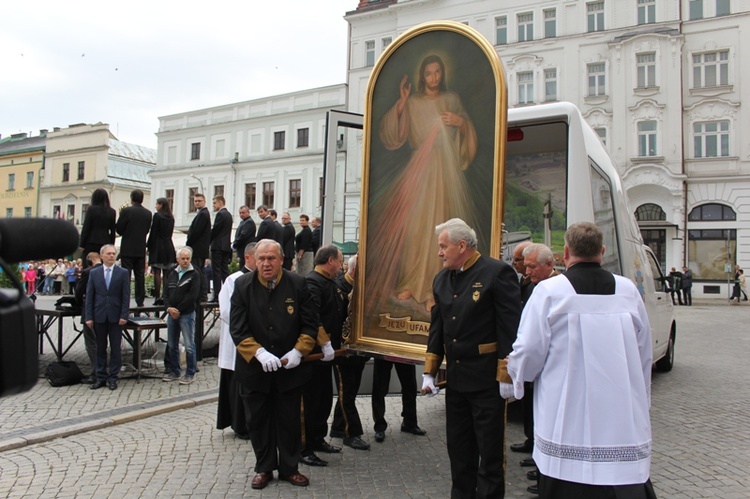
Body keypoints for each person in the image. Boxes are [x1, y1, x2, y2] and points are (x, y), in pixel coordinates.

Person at [507, 222, 656, 498]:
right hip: (621, 415)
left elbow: (528, 350)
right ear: (602, 251)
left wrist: (516, 378)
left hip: (566, 416)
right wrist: (642, 399)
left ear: (565, 253)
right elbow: (643, 352)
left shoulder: (549, 292)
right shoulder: (627, 291)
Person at [368, 54, 478, 316]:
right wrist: (403, 102)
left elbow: (467, 133)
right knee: (415, 226)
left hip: (445, 169)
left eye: (437, 72)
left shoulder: (451, 100)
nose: (434, 78)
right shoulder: (414, 102)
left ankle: (434, 289)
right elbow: (392, 135)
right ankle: (410, 282)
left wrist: (460, 122)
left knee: (442, 225)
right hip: (418, 169)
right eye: (428, 73)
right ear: (422, 76)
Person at [423, 218, 520, 498]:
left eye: (443, 246)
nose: (439, 252)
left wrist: (506, 373)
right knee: (459, 449)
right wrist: (430, 371)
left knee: (489, 454)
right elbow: (437, 327)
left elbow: (509, 327)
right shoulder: (441, 279)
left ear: (461, 245)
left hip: (487, 382)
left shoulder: (496, 273)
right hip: (456, 381)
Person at [230, 239, 318, 490]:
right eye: (262, 259)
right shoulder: (242, 285)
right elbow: (237, 328)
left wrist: (299, 351)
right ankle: (264, 467)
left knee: (289, 420)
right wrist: (257, 352)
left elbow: (310, 323)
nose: (266, 263)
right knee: (257, 421)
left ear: (281, 260)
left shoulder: (298, 284)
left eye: (271, 258)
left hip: (289, 369)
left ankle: (290, 468)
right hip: (254, 370)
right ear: (254, 260)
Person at [299, 245, 347, 467]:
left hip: (327, 356)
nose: (341, 264)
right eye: (339, 260)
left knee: (324, 400)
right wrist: (324, 343)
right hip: (314, 355)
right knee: (311, 402)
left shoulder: (329, 282)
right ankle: (305, 447)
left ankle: (318, 439)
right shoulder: (312, 283)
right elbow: (313, 315)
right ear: (330, 261)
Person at [519, 243, 560, 494]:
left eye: (533, 267)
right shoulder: (530, 285)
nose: (528, 272)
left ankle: (545, 475)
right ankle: (538, 461)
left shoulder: (555, 289)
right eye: (526, 267)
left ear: (549, 264)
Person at [217, 242, 257, 438]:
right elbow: (226, 311)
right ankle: (239, 424)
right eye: (259, 257)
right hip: (238, 340)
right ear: (248, 257)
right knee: (236, 383)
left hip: (257, 341)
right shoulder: (234, 279)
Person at [85, 244, 130, 391]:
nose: (112, 256)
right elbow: (90, 296)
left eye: (113, 253)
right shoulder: (94, 273)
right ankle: (100, 377)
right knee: (100, 348)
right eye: (109, 254)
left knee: (115, 348)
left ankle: (113, 377)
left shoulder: (123, 273)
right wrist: (89, 316)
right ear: (102, 256)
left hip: (116, 316)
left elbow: (126, 296)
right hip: (99, 315)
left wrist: (124, 315)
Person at [162, 247, 202, 385]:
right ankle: (174, 371)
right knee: (172, 344)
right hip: (172, 313)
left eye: (187, 258)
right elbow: (165, 293)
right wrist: (168, 308)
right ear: (177, 259)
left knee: (189, 344)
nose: (185, 261)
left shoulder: (195, 274)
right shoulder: (172, 273)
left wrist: (177, 309)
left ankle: (190, 373)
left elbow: (193, 296)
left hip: (186, 314)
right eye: (183, 258)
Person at [371, 357, 425, 444]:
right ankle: (379, 426)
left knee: (410, 386)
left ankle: (409, 423)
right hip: (384, 348)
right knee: (379, 387)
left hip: (404, 349)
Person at [116, 189, 153, 307]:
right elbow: (147, 230)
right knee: (140, 275)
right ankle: (140, 300)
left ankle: (125, 300)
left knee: (126, 275)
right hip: (140, 248)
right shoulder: (148, 213)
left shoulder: (126, 211)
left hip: (127, 247)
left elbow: (119, 229)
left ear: (132, 198)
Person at [75, 252, 102, 383]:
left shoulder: (88, 272)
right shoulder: (108, 271)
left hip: (90, 312)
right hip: (103, 312)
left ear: (89, 261)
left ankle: (96, 373)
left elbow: (79, 292)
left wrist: (80, 304)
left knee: (91, 343)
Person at [146, 197, 176, 304]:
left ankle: (157, 296)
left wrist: (149, 246)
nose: (156, 206)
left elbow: (153, 232)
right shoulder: (171, 218)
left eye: (157, 204)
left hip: (158, 246)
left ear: (161, 205)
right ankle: (165, 296)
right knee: (167, 273)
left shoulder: (157, 216)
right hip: (168, 245)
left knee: (157, 272)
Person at [79, 188, 116, 269]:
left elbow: (86, 227)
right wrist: (111, 244)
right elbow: (113, 230)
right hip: (105, 241)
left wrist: (82, 244)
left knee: (89, 265)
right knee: (103, 267)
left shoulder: (91, 209)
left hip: (91, 241)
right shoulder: (112, 211)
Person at [186, 193, 211, 303]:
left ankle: (201, 294)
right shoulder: (202, 213)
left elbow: (196, 232)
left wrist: (188, 244)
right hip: (200, 248)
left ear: (204, 201)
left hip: (198, 248)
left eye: (199, 201)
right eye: (195, 201)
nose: (197, 202)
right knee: (200, 271)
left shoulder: (203, 214)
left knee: (199, 271)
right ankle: (202, 294)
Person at [210, 195, 233, 300]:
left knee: (216, 271)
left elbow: (215, 230)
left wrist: (208, 240)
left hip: (218, 246)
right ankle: (228, 291)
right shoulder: (228, 214)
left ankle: (217, 294)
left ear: (220, 202)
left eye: (215, 203)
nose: (214, 205)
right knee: (224, 270)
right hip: (226, 246)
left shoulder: (220, 214)